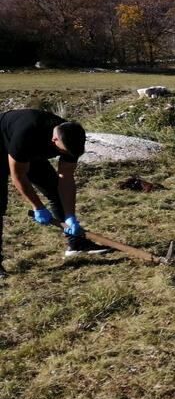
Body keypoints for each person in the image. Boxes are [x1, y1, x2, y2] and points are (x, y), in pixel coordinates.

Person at [1, 109, 108, 279]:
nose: (65, 155)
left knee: (54, 190)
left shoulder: (72, 137)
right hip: (6, 141)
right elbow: (18, 175)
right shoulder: (26, 135)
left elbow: (65, 178)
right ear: (54, 140)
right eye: (63, 152)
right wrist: (38, 207)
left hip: (30, 151)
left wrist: (70, 216)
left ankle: (76, 244)